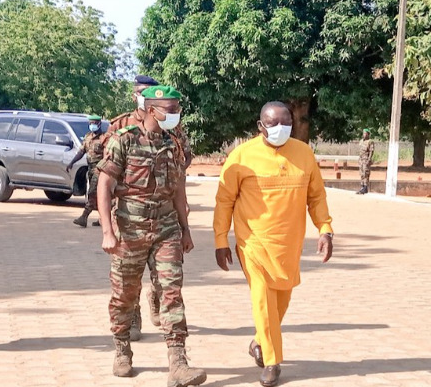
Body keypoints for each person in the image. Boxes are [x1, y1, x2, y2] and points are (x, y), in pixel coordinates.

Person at [213, 101, 334, 387]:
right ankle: (272, 361)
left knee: (281, 300)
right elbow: (224, 201)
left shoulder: (304, 154)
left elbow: (316, 196)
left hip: (289, 244)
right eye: (273, 123)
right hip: (253, 241)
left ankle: (260, 341)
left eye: (286, 123)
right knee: (263, 299)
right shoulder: (242, 156)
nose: (281, 129)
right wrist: (221, 240)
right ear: (260, 126)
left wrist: (325, 229)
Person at [97, 85, 206, 386]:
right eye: (169, 110)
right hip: (130, 230)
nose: (175, 115)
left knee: (171, 291)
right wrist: (108, 231)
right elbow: (104, 186)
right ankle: (121, 349)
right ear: (149, 110)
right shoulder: (124, 140)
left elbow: (179, 188)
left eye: (177, 109)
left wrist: (185, 229)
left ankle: (178, 363)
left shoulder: (174, 144)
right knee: (124, 295)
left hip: (166, 228)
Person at [67, 115, 104, 227]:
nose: (92, 125)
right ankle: (102, 218)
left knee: (92, 193)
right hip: (91, 169)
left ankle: (84, 217)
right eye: (90, 123)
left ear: (99, 124)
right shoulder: (88, 137)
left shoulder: (104, 138)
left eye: (94, 123)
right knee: (98, 195)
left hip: (100, 169)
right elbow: (81, 151)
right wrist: (71, 162)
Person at [356, 128, 374, 194]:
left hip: (366, 159)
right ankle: (362, 186)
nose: (364, 135)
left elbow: (371, 151)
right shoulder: (361, 141)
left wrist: (369, 160)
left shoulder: (370, 141)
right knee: (361, 173)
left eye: (365, 133)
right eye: (363, 133)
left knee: (366, 173)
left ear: (368, 134)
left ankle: (365, 187)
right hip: (361, 159)